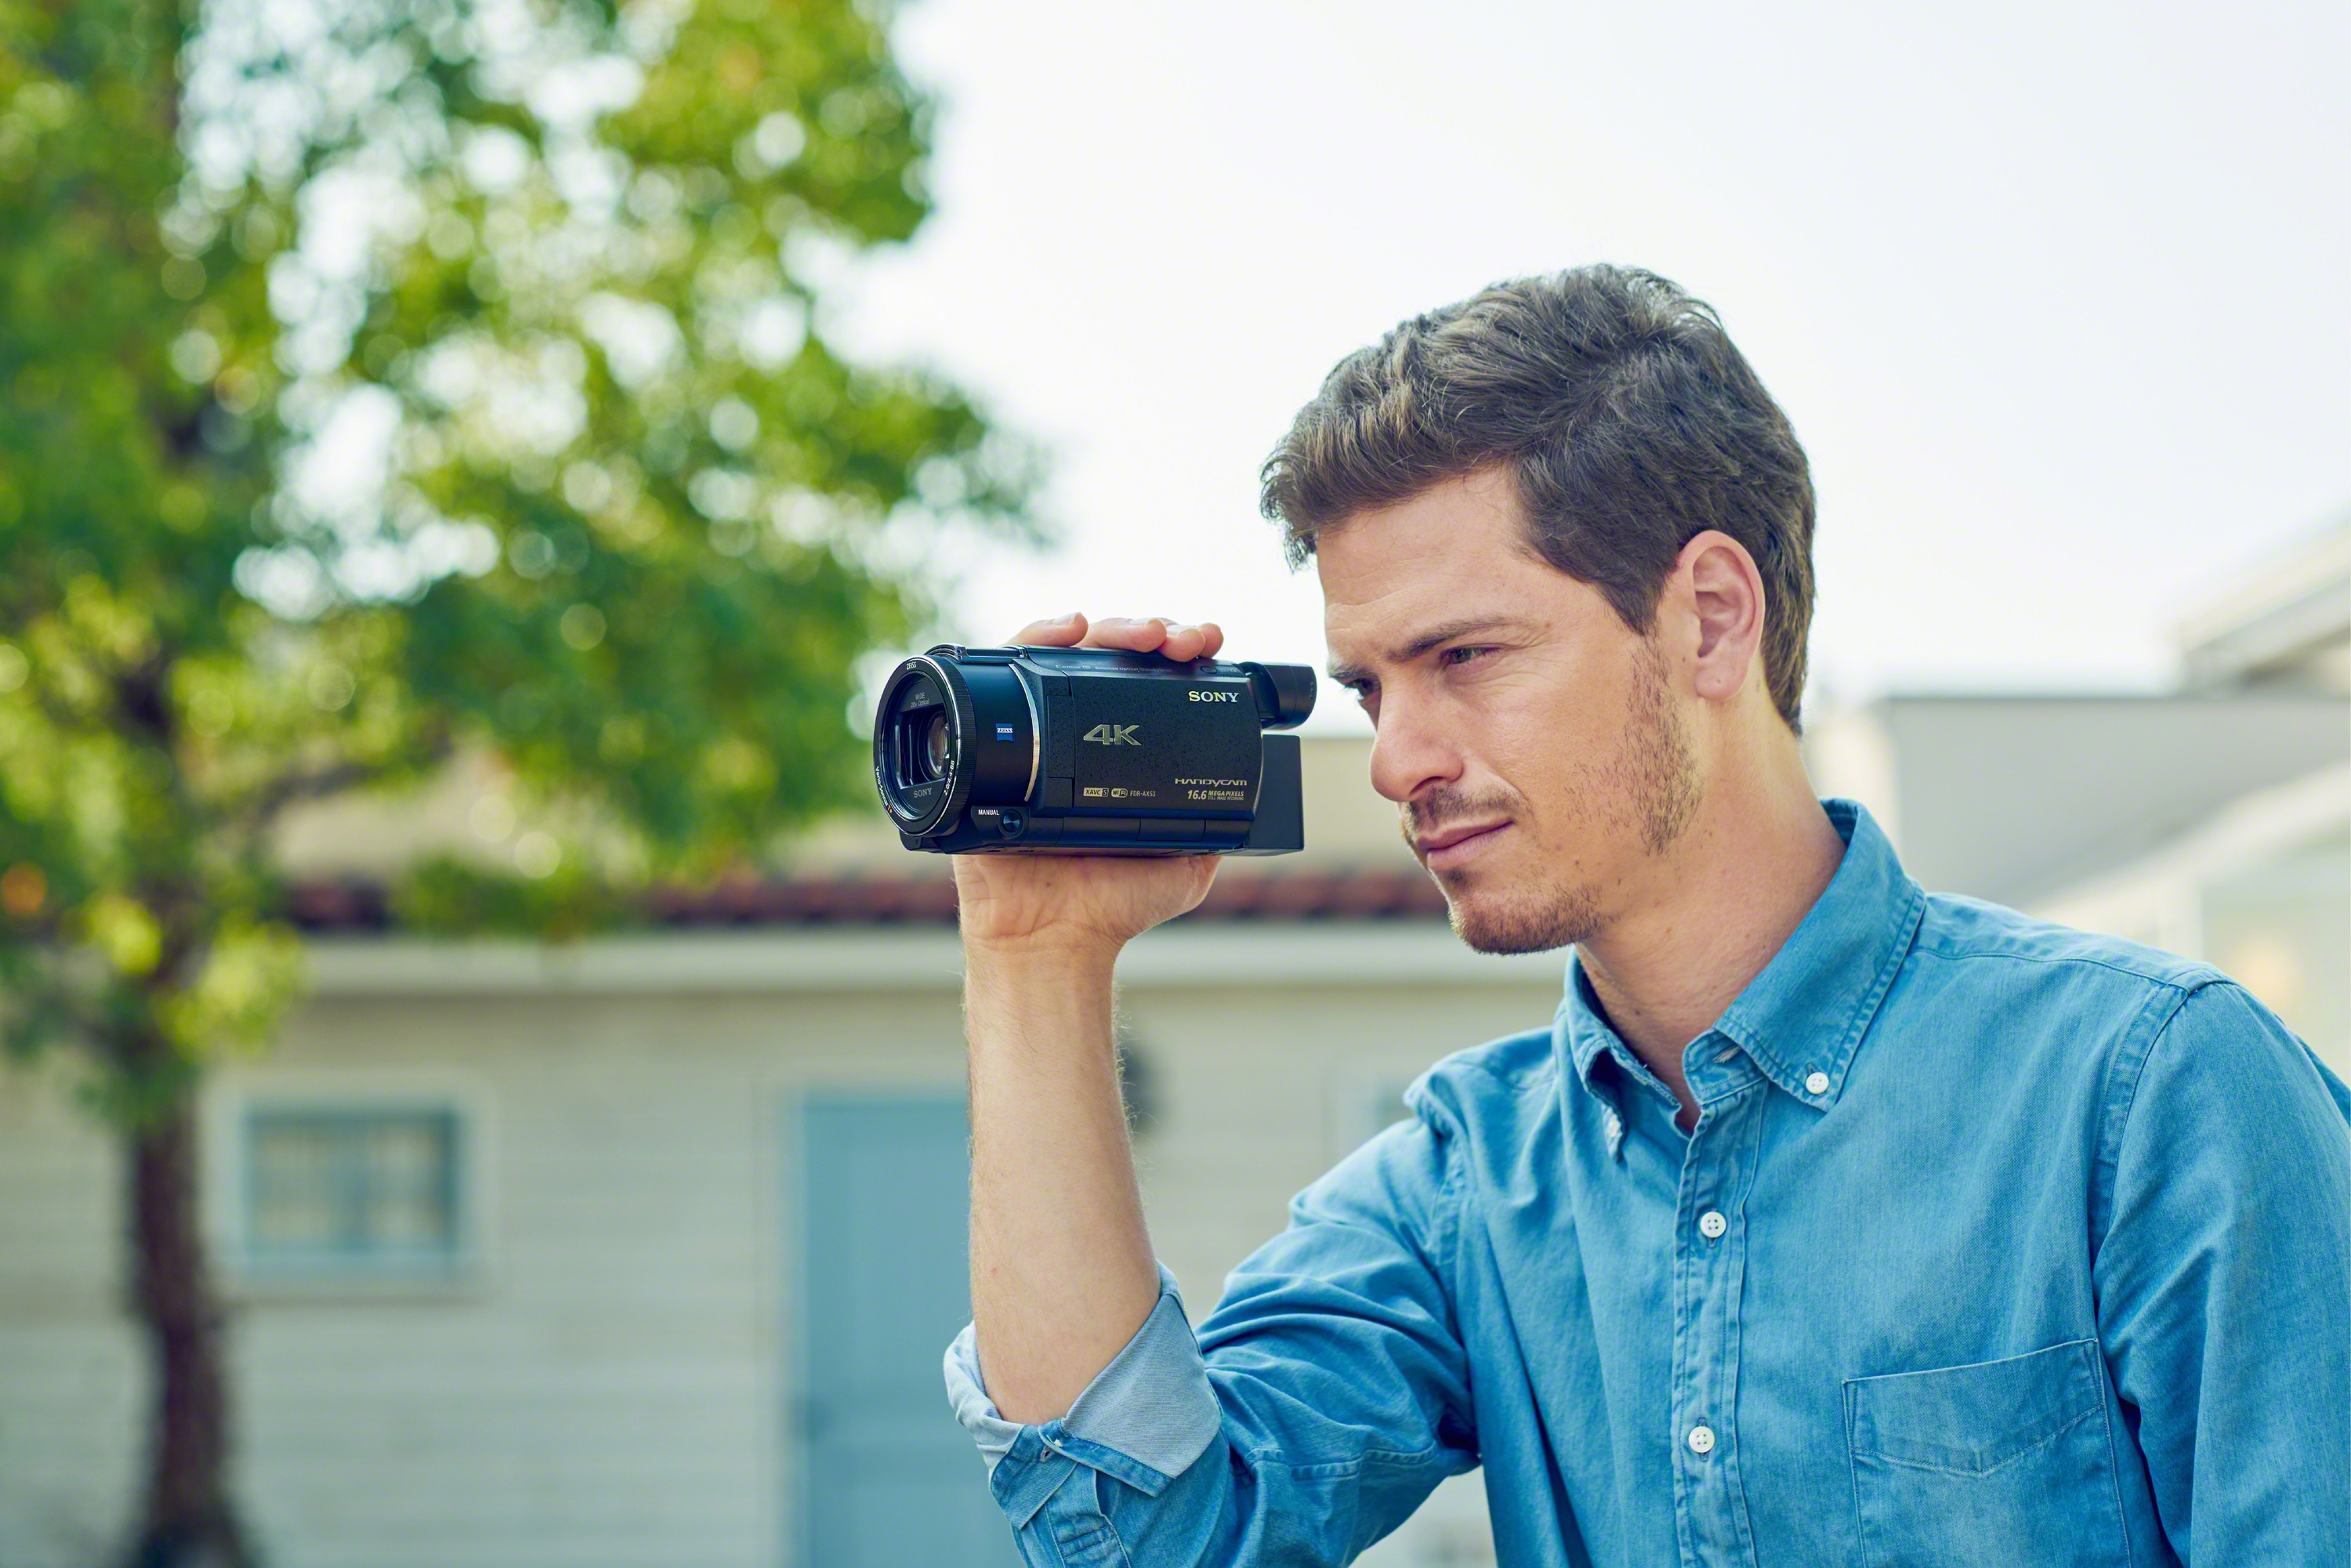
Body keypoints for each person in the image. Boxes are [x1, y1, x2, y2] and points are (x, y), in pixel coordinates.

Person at [940, 266, 2351, 1566]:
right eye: (1374, 687)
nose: (1394, 761)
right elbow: (1146, 1535)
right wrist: (1032, 957)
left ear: (1711, 619)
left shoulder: (2151, 1096)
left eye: (1466, 656)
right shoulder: (1466, 1187)